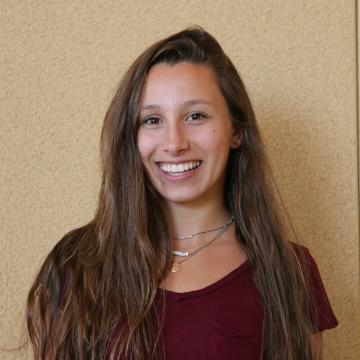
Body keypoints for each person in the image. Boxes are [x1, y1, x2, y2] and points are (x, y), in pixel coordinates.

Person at [26, 26, 338, 359]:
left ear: (237, 131)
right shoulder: (76, 266)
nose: (174, 143)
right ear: (131, 137)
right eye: (152, 120)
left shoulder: (289, 272)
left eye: (196, 116)